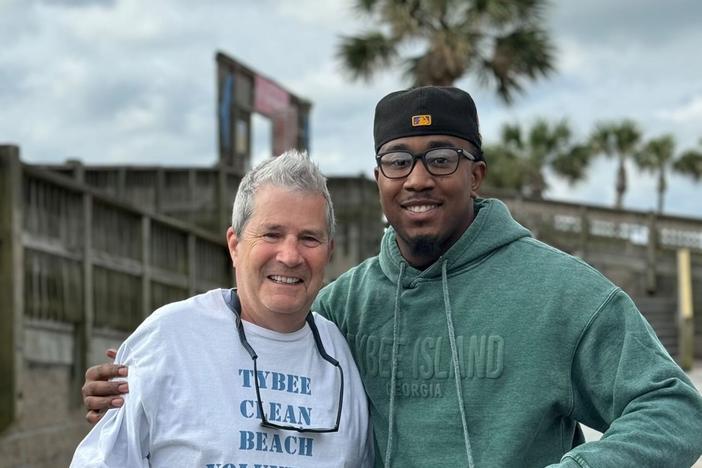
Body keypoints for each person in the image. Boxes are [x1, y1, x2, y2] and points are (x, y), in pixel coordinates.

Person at [82, 86, 702, 467]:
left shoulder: (564, 294)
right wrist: (138, 387)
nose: (418, 178)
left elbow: (675, 409)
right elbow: (258, 347)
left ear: (476, 174)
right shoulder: (346, 306)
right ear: (379, 178)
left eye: (442, 158)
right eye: (397, 160)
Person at [71, 150, 373, 467]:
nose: (290, 255)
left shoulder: (344, 358)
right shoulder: (169, 339)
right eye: (272, 233)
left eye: (309, 238)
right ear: (235, 245)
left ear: (329, 252)